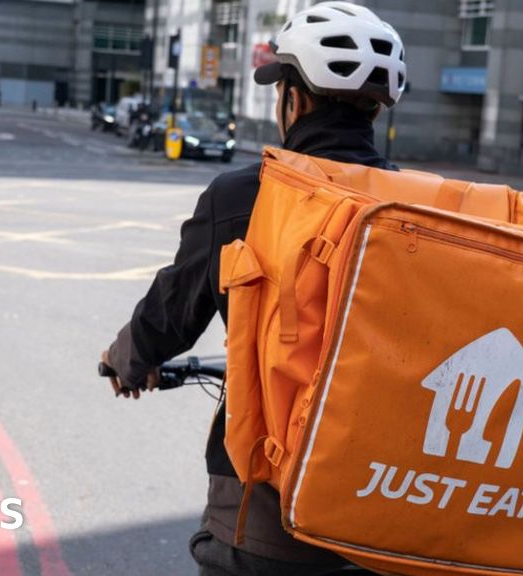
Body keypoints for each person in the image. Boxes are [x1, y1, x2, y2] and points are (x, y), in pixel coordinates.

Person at [99, 3, 406, 575]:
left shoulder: (244, 196)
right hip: (386, 513)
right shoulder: (412, 208)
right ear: (374, 108)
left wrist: (127, 358)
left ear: (293, 98)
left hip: (268, 519)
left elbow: (171, 311)